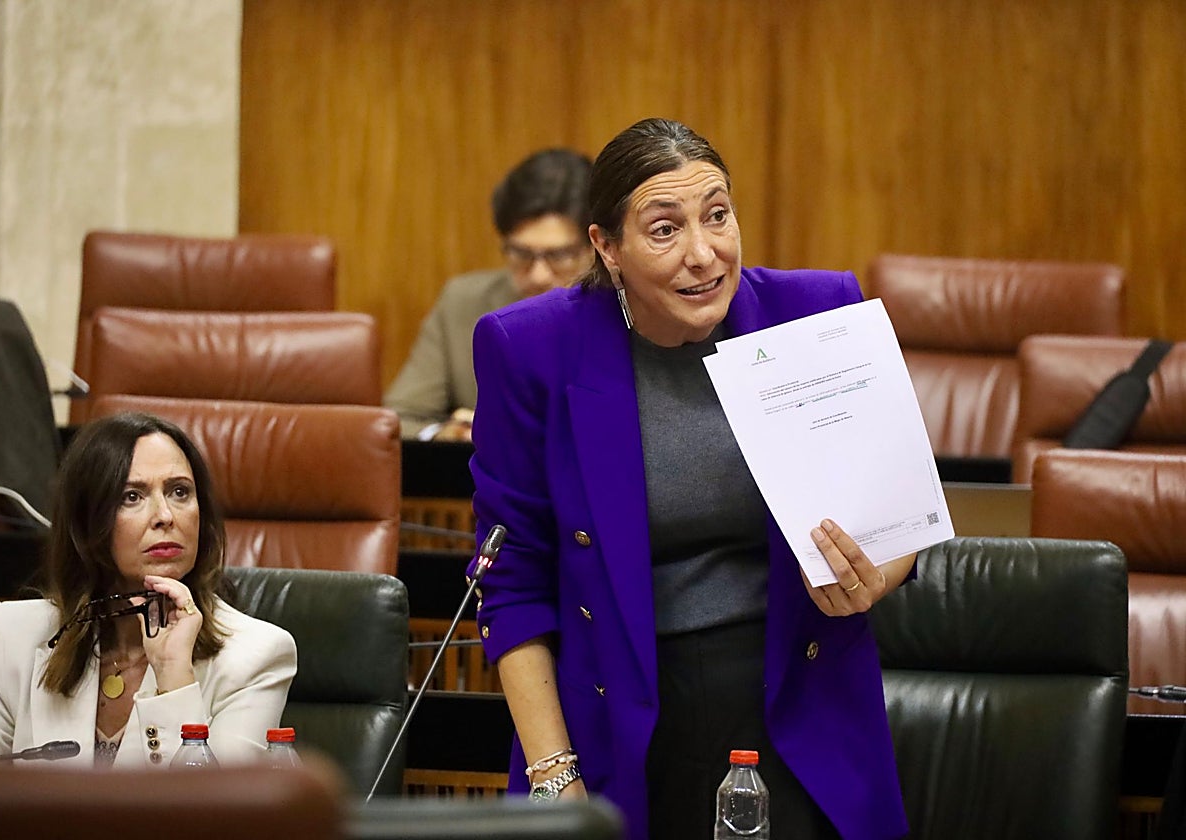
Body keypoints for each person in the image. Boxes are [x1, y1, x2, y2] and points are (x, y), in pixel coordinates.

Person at [469, 118, 916, 840]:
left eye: (717, 215)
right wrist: (556, 777)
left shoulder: (816, 314)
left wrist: (879, 573)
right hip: (615, 704)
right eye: (664, 229)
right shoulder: (529, 349)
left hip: (797, 691)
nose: (704, 255)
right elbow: (513, 581)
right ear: (606, 248)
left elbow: (895, 517)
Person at [0, 412, 296, 768]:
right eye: (132, 496)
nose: (165, 515)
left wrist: (173, 677)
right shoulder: (15, 635)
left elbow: (211, 815)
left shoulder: (256, 657)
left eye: (180, 492)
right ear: (87, 523)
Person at [385, 147, 594, 440]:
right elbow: (398, 420)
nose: (538, 275)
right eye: (521, 253)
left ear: (597, 246)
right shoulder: (463, 302)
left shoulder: (633, 310)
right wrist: (446, 435)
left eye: (559, 255)